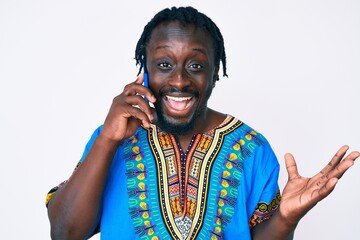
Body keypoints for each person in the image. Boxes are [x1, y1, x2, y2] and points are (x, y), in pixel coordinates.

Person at [45, 6, 359, 240]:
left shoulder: (251, 148)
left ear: (215, 72)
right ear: (145, 70)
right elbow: (64, 233)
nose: (179, 80)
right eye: (164, 64)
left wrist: (286, 219)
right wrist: (106, 141)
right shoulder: (111, 138)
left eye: (195, 65)